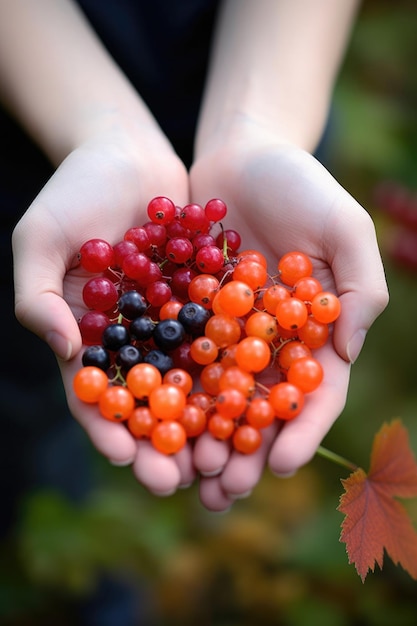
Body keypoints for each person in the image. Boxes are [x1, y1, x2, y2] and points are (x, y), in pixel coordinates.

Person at [1, 0, 388, 514]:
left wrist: (261, 129)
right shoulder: (134, 284)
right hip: (33, 148)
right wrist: (94, 130)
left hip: (277, 126)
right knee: (18, 411)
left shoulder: (235, 287)